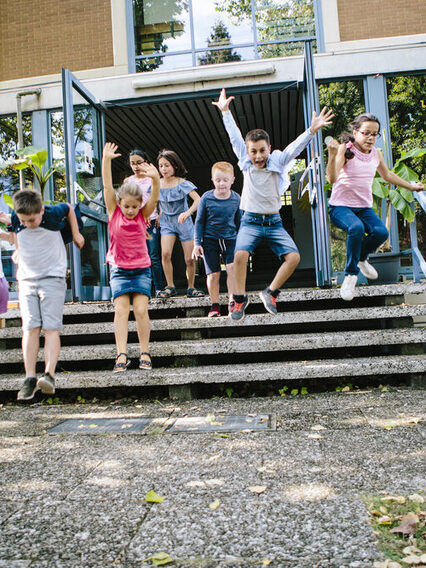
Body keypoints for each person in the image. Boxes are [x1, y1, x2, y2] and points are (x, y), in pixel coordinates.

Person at [212, 88, 334, 321]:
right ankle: (239, 299)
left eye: (262, 151)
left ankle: (271, 292)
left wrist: (312, 130)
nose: (258, 156)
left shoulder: (277, 160)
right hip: (250, 221)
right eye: (254, 152)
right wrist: (226, 112)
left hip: (274, 222)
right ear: (248, 153)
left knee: (294, 258)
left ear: (269, 149)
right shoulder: (245, 161)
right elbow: (235, 138)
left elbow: (294, 148)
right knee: (239, 256)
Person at [326, 112, 424, 301]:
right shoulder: (345, 150)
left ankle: (362, 257)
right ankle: (350, 275)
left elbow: (387, 175)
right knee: (356, 228)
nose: (371, 138)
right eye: (366, 133)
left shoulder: (376, 154)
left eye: (374, 134)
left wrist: (411, 186)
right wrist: (332, 155)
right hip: (340, 207)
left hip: (363, 208)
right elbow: (332, 178)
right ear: (355, 132)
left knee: (381, 233)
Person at [3, 190, 84, 401]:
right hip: (27, 280)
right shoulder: (16, 217)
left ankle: (49, 374)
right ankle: (30, 377)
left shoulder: (52, 213)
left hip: (52, 278)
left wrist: (76, 234)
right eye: (23, 220)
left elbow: (68, 208)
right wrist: (18, 249)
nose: (29, 223)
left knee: (51, 328)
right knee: (29, 328)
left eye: (32, 219)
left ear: (41, 210)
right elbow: (17, 234)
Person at [102, 142, 160, 373]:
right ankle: (121, 354)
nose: (130, 210)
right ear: (120, 203)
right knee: (121, 311)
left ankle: (145, 352)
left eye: (135, 207)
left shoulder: (141, 216)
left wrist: (155, 180)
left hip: (141, 270)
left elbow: (153, 200)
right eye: (127, 206)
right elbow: (107, 187)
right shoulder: (113, 213)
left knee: (141, 310)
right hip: (119, 270)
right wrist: (106, 160)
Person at [192, 161, 241, 317]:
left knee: (232, 268)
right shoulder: (206, 198)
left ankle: (232, 303)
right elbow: (199, 222)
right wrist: (196, 243)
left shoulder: (236, 199)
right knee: (213, 274)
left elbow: (240, 222)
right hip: (210, 239)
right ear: (213, 180)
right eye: (218, 180)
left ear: (232, 180)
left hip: (230, 239)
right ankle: (214, 306)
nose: (222, 184)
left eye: (225, 180)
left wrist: (243, 244)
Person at [156, 149, 204, 298]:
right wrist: (159, 215)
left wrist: (188, 212)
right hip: (167, 223)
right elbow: (156, 202)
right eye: (161, 166)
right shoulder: (156, 184)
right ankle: (170, 286)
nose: (164, 169)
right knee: (165, 254)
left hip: (183, 221)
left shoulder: (182, 183)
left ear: (175, 166)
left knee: (189, 259)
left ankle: (191, 287)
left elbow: (198, 200)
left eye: (167, 165)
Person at [124, 149, 165, 296]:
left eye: (139, 163)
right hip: (134, 225)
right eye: (132, 163)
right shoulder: (128, 181)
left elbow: (160, 199)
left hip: (151, 222)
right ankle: (141, 289)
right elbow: (124, 202)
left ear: (146, 163)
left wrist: (160, 214)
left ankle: (159, 288)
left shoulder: (153, 179)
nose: (136, 166)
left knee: (153, 256)